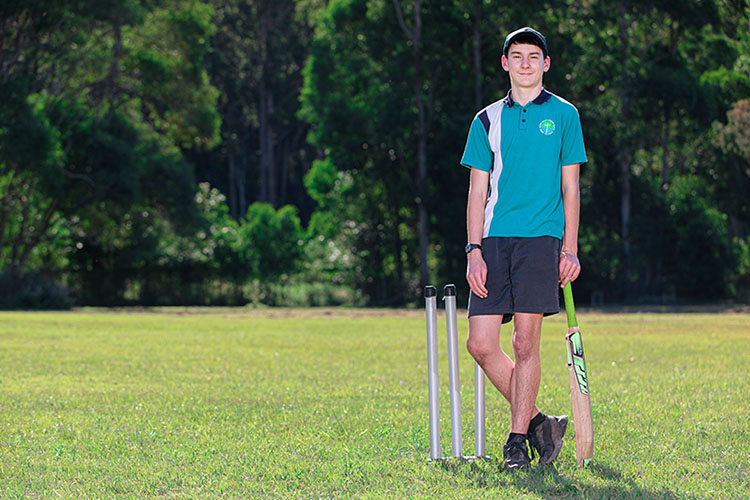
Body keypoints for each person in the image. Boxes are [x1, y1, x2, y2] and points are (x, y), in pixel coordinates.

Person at [460, 26, 587, 470]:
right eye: (518, 56)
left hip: (541, 240)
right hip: (494, 240)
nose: (526, 63)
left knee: (525, 341)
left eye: (535, 56)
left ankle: (517, 440)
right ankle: (540, 424)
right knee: (480, 343)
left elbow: (571, 187)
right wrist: (473, 249)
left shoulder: (566, 115)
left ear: (546, 64)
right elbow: (477, 192)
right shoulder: (486, 119)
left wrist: (569, 249)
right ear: (505, 63)